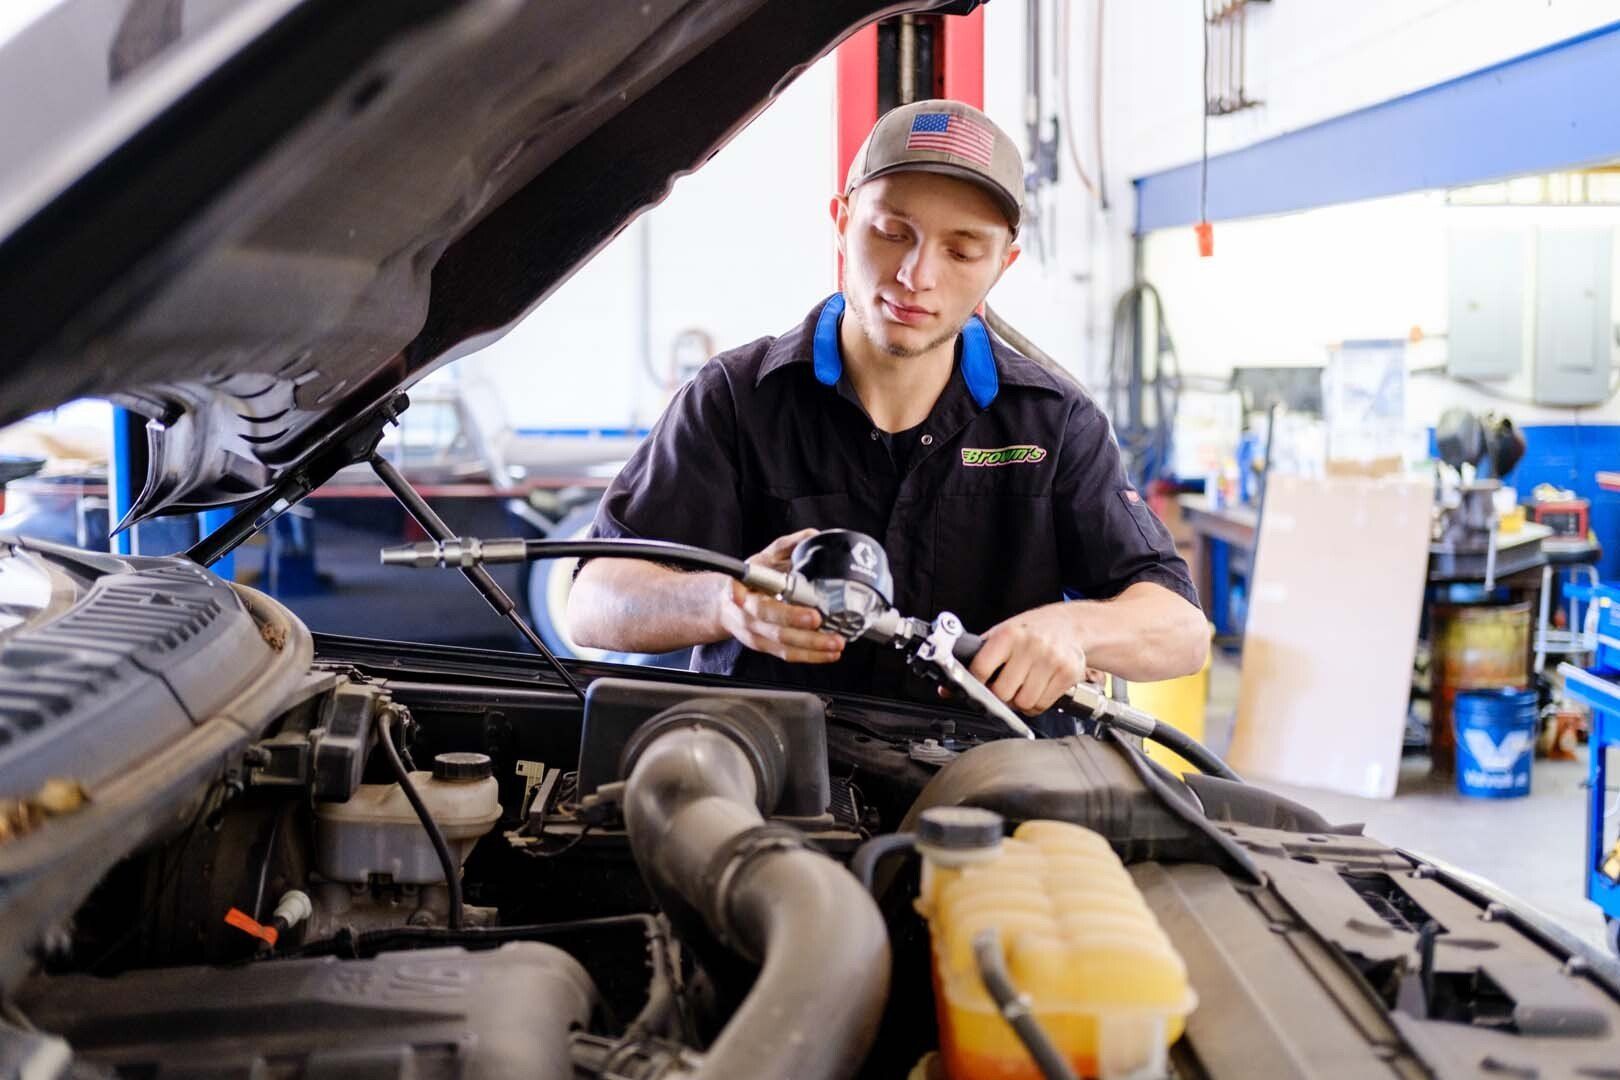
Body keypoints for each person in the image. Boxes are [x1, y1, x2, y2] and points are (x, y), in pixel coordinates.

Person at [567, 99, 1207, 717]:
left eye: (961, 250)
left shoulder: (1055, 424)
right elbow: (592, 603)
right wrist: (725, 602)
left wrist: (1075, 629)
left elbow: (1182, 631)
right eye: (892, 232)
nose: (917, 274)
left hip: (989, 788)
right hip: (771, 781)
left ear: (1002, 264)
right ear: (842, 221)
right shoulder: (736, 400)